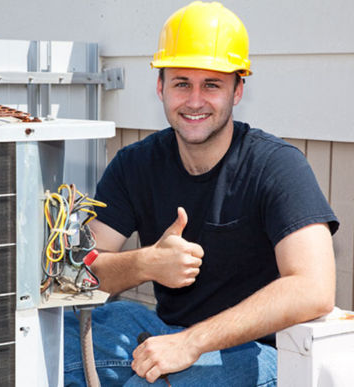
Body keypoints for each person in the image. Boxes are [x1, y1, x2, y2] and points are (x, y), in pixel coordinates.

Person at [64, 2, 339, 386]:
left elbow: (314, 287)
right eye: (181, 83)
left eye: (212, 84)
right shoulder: (135, 165)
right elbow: (82, 270)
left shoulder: (277, 166)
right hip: (165, 330)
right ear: (160, 87)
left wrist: (191, 343)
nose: (194, 101)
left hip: (258, 352)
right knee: (50, 345)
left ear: (237, 90)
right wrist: (145, 263)